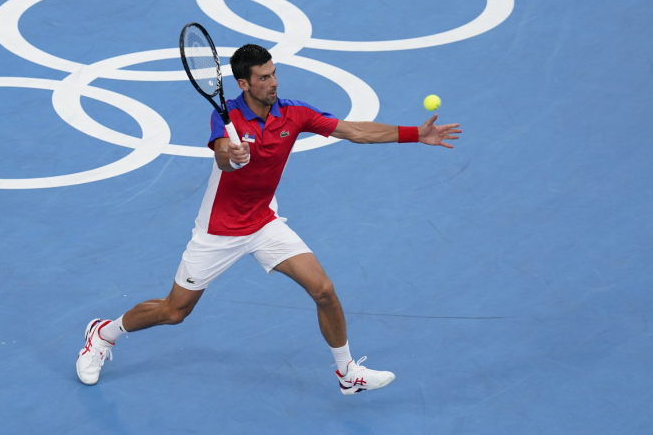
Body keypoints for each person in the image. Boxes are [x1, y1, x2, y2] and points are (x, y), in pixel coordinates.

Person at [76, 43, 461, 395]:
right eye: (263, 77)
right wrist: (233, 155)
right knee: (174, 311)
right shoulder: (224, 116)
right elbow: (222, 155)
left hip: (262, 223)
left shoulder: (294, 113)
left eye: (274, 73)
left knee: (323, 290)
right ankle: (103, 334)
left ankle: (347, 374)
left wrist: (415, 134)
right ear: (244, 83)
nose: (273, 82)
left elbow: (354, 131)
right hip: (219, 231)